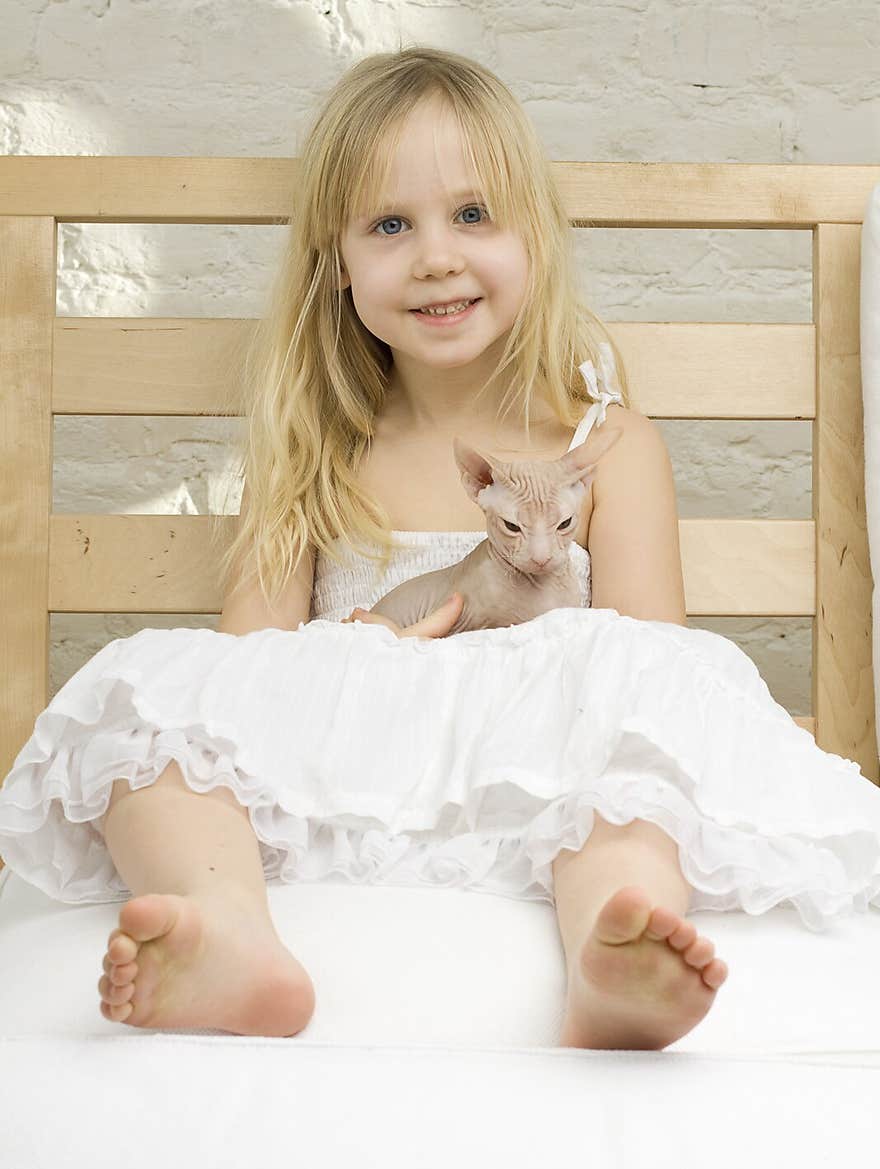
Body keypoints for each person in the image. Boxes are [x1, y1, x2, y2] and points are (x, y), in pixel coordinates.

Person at [2, 47, 880, 1051]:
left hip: (532, 775)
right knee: (144, 707)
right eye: (389, 225)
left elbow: (654, 674)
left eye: (471, 215)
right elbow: (236, 675)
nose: (434, 256)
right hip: (351, 771)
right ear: (337, 262)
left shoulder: (608, 445)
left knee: (639, 758)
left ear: (534, 239)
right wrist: (366, 649)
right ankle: (231, 933)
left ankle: (613, 942)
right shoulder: (315, 452)